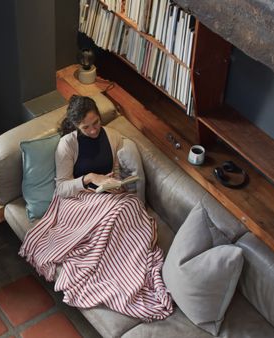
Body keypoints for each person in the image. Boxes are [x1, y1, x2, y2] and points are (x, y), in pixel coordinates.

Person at [20, 95, 173, 322]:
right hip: (77, 201)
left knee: (130, 206)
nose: (93, 130)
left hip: (106, 197)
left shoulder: (111, 137)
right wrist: (89, 178)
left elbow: (117, 171)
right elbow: (61, 188)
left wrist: (114, 183)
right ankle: (112, 269)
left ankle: (128, 263)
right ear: (75, 126)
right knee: (120, 211)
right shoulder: (67, 144)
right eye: (86, 127)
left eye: (96, 123)